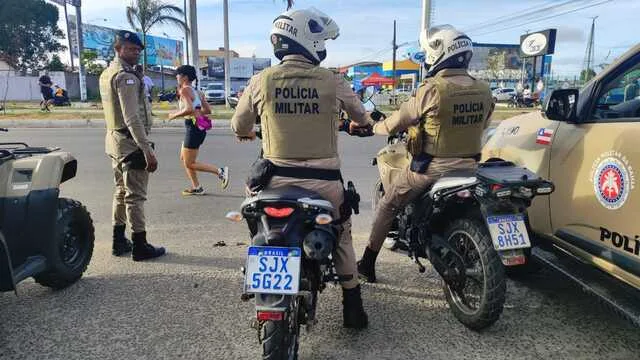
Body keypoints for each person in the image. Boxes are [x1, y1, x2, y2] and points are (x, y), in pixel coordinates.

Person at [231, 7, 371, 329]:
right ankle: (352, 306)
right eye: (320, 42)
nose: (323, 48)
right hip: (324, 184)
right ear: (307, 40)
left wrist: (247, 132)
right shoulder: (332, 79)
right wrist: (357, 123)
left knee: (257, 218)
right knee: (341, 234)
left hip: (273, 181)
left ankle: (263, 252)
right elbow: (362, 118)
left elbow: (240, 125)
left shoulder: (260, 80)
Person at [355, 25, 494, 283]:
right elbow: (484, 125)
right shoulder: (484, 89)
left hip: (432, 171)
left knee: (388, 205)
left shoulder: (432, 89)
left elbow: (397, 122)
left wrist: (374, 127)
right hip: (470, 169)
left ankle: (367, 264)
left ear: (437, 52)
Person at [99, 30, 166, 261]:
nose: (135, 53)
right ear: (118, 49)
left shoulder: (107, 72)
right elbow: (132, 117)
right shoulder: (125, 77)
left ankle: (119, 241)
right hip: (130, 143)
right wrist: (147, 150)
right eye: (130, 49)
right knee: (135, 196)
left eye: (138, 50)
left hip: (114, 140)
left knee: (120, 191)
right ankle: (140, 245)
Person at [168, 65, 230, 195]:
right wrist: (196, 112)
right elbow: (207, 110)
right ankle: (197, 187)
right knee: (184, 158)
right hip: (198, 128)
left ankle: (220, 171)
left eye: (177, 75)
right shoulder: (198, 92)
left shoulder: (184, 90)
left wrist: (173, 115)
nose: (176, 77)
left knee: (189, 163)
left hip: (193, 127)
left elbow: (189, 109)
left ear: (184, 76)